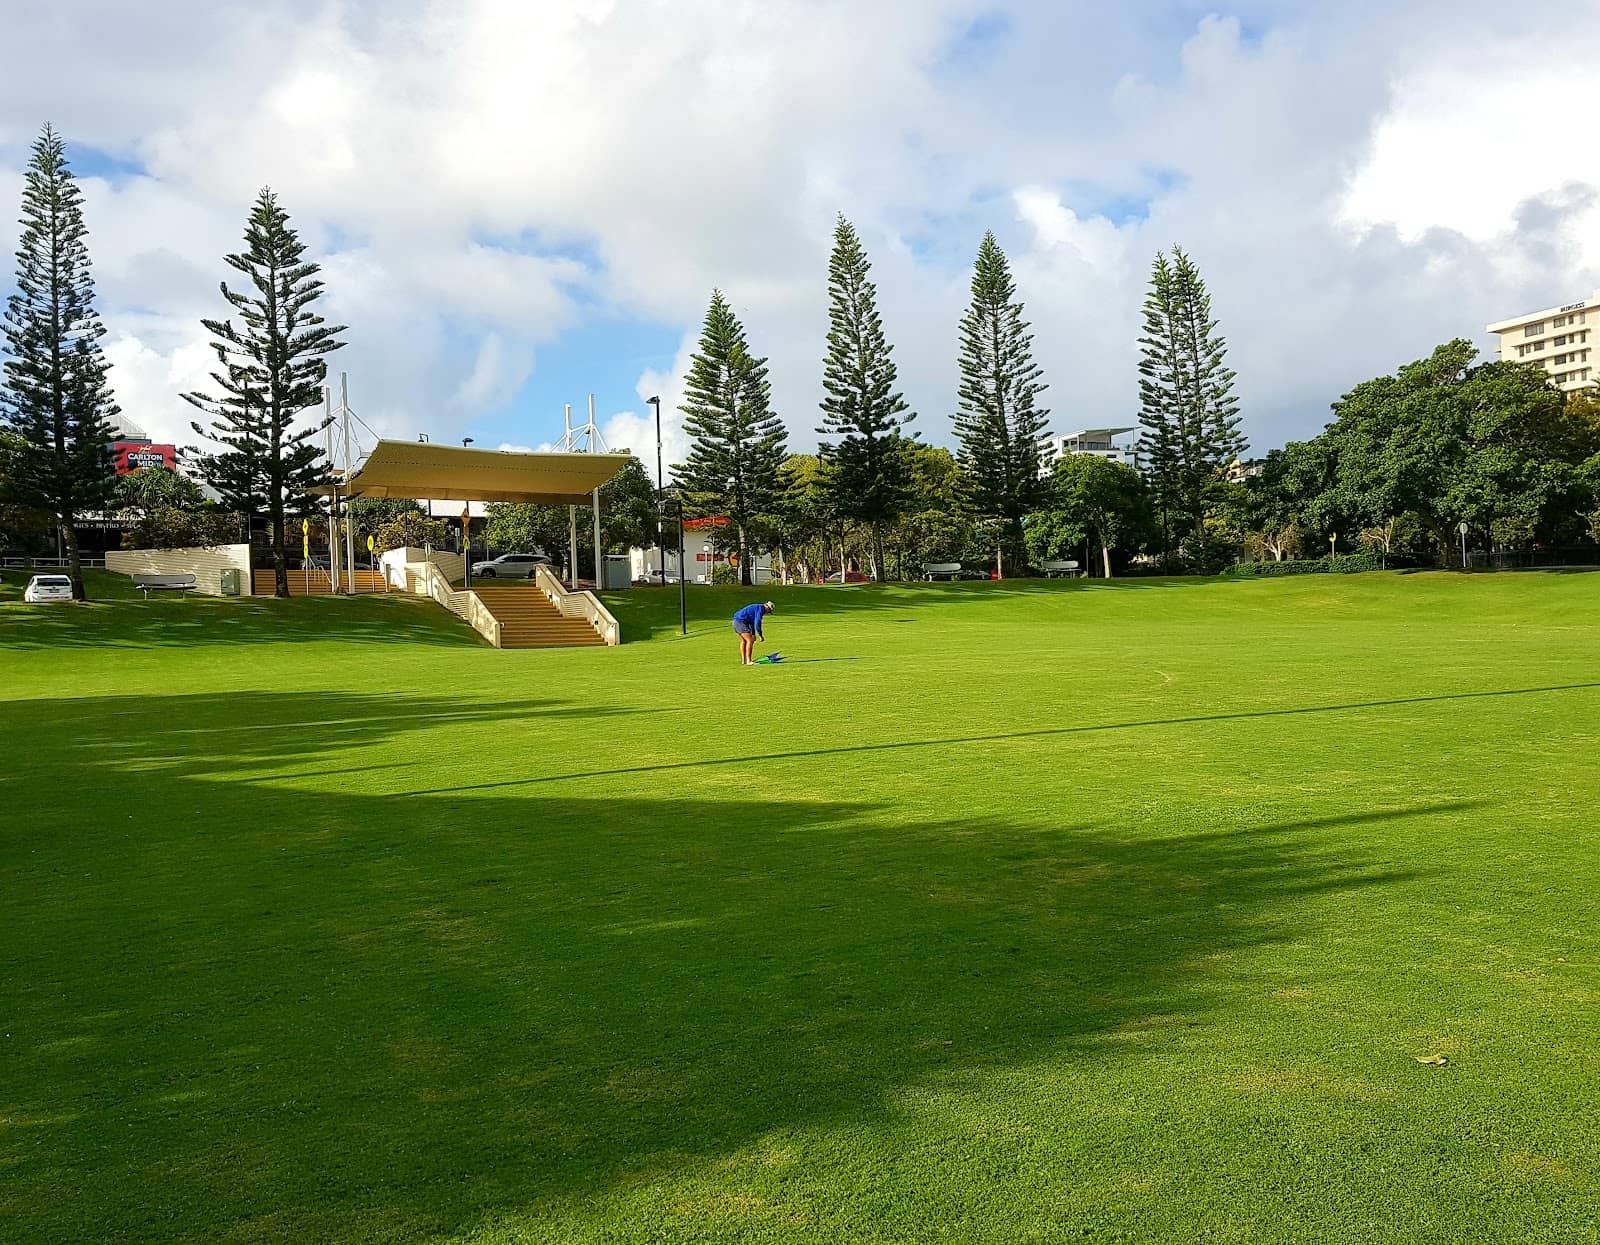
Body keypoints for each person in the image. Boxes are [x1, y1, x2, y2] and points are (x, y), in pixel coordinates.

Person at [732, 600, 774, 665]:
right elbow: (757, 623)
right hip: (741, 622)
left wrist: (753, 634)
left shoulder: (757, 607)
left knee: (744, 641)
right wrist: (760, 635)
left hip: (736, 621)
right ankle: (749, 661)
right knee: (750, 641)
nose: (767, 613)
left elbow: (752, 622)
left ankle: (744, 661)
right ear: (767, 607)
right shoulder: (761, 609)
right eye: (769, 611)